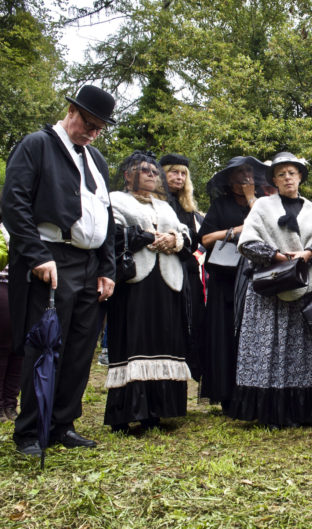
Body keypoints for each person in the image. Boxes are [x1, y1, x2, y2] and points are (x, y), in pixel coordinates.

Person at [1, 85, 117, 456]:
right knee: (46, 344)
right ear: (71, 110)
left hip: (89, 263)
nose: (91, 132)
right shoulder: (36, 144)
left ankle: (62, 424)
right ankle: (30, 431)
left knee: (81, 347)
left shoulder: (96, 159)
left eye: (99, 128)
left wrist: (107, 268)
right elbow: (14, 202)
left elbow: (106, 217)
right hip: (51, 257)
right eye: (88, 123)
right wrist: (36, 255)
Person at [227, 152, 312, 428]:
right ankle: (270, 412)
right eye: (281, 174)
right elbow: (246, 242)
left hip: (302, 285)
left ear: (300, 177)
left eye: (292, 173)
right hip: (268, 287)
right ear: (274, 179)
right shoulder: (262, 206)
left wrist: (307, 253)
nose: (287, 178)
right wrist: (277, 255)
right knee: (267, 348)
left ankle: (299, 412)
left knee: (300, 350)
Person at [104, 152, 192, 432]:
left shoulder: (165, 207)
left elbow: (187, 235)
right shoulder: (115, 200)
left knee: (164, 339)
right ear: (129, 175)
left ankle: (156, 409)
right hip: (134, 282)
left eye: (155, 172)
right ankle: (125, 412)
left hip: (167, 281)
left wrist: (175, 239)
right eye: (145, 171)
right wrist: (151, 237)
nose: (153, 175)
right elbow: (113, 234)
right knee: (133, 340)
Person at [198, 157, 264, 408]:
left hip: (254, 279)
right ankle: (226, 393)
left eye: (248, 171)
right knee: (225, 333)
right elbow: (204, 239)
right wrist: (236, 230)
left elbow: (264, 225)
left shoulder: (261, 203)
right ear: (228, 179)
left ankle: (253, 392)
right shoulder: (220, 204)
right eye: (238, 173)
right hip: (225, 278)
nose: (244, 177)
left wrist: (251, 198)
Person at [159, 153, 205, 380]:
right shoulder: (156, 201)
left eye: (183, 173)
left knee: (191, 319)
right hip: (161, 269)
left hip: (186, 268)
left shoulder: (187, 206)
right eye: (174, 172)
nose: (179, 177)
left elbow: (195, 240)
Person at [0, 221, 22, 422]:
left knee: (19, 348)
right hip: (3, 284)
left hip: (23, 289)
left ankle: (10, 403)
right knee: (4, 347)